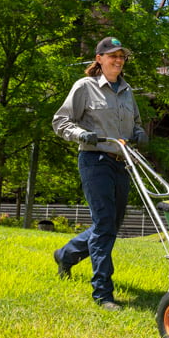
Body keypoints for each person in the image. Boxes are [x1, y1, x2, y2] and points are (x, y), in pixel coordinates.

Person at [51, 36, 148, 311]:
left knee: (110, 225)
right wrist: (82, 133)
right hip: (94, 161)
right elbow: (60, 121)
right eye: (112, 56)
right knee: (105, 224)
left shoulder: (127, 91)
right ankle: (103, 293)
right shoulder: (85, 87)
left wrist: (139, 134)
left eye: (121, 56)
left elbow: (136, 123)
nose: (118, 60)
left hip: (122, 162)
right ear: (99, 59)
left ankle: (65, 254)